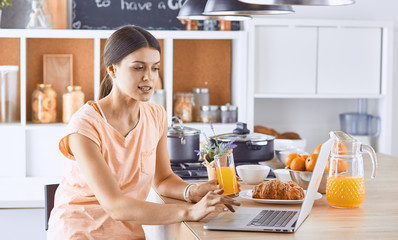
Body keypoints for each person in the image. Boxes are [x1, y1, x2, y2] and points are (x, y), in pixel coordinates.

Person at [47, 25, 240, 239]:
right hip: (81, 233)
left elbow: (164, 178)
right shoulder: (84, 127)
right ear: (112, 70)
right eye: (138, 68)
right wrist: (190, 211)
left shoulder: (156, 115)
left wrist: (192, 192)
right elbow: (115, 206)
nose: (149, 77)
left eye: (154, 68)